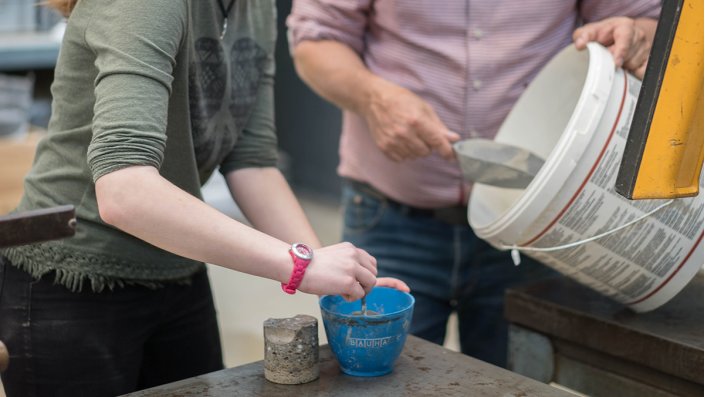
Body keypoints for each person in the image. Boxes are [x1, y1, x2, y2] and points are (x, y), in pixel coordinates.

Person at [0, 0, 408, 395]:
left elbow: (252, 160)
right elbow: (124, 190)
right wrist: (299, 266)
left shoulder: (254, 6)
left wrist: (329, 276)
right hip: (70, 280)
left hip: (177, 266)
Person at [287, 0, 660, 367]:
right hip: (389, 218)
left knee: (516, 383)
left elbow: (649, 23)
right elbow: (314, 36)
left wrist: (638, 34)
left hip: (534, 227)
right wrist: (373, 97)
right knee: (375, 382)